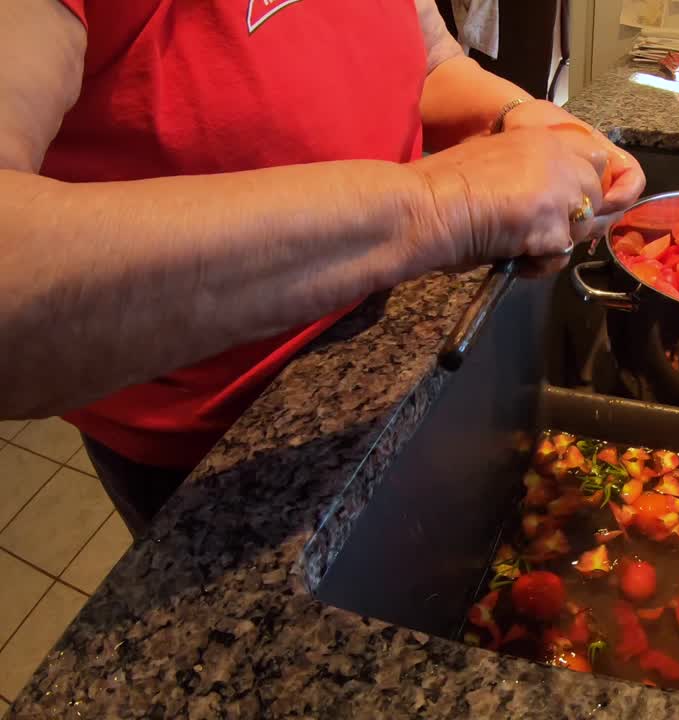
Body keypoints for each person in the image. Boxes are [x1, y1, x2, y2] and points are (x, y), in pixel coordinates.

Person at [0, 0, 645, 535]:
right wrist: (438, 206)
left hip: (388, 351)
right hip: (228, 449)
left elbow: (427, 60)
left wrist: (515, 118)